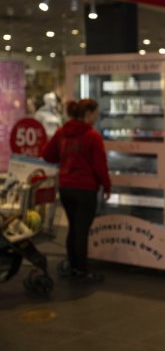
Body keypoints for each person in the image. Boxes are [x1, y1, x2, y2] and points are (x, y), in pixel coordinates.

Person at [42, 99, 111, 283]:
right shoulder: (92, 136)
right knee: (81, 231)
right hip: (85, 189)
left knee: (73, 229)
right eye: (95, 114)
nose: (96, 117)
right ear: (87, 114)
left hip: (66, 188)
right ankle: (82, 270)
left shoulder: (62, 133)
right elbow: (100, 165)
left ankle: (73, 267)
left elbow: (47, 154)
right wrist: (107, 185)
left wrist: (64, 160)